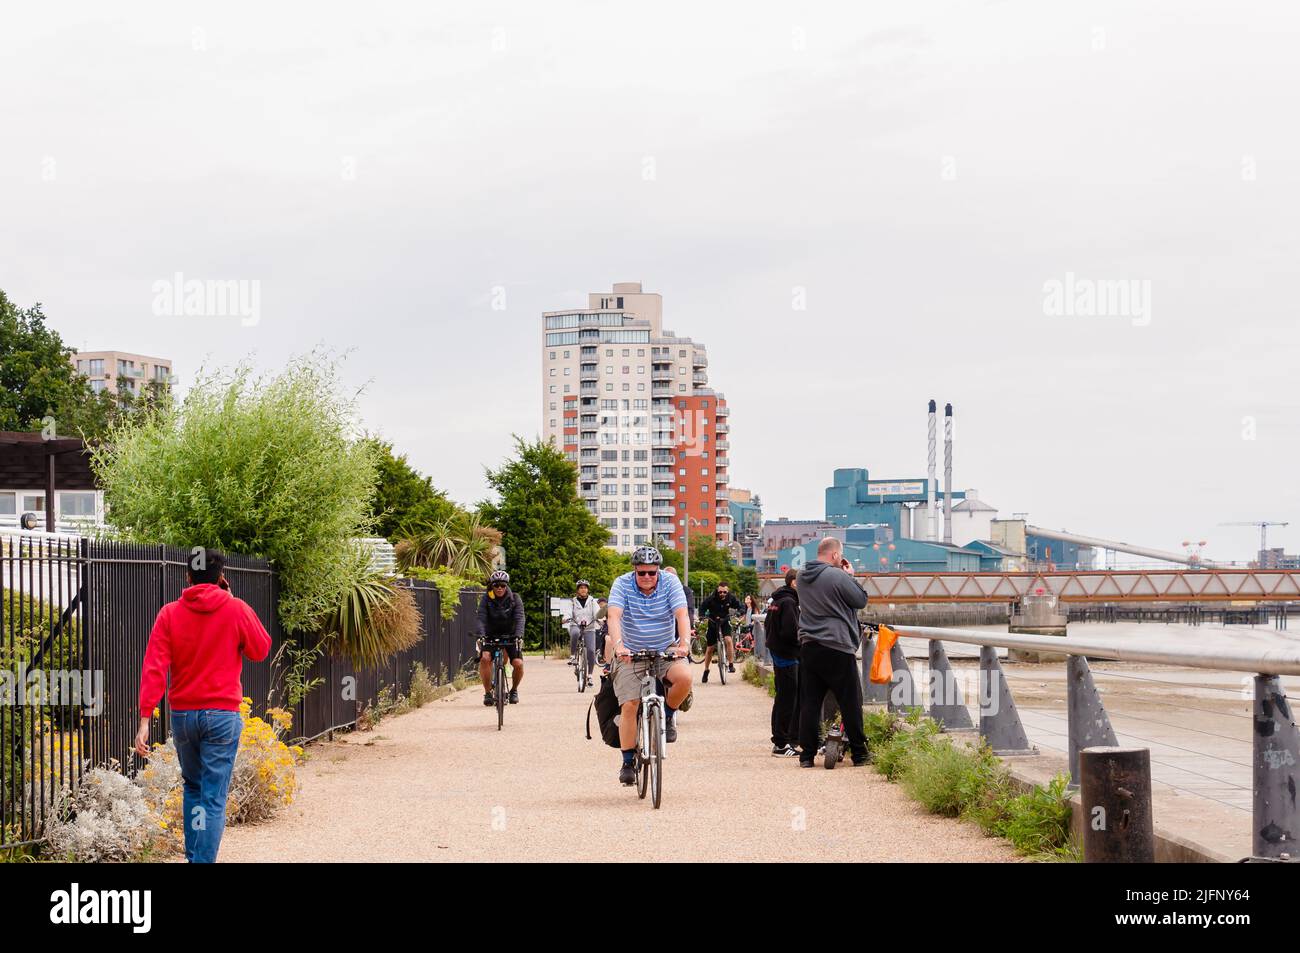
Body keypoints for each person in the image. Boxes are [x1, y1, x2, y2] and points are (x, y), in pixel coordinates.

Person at [134, 548, 271, 863]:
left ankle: (194, 856)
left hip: (184, 718)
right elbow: (260, 649)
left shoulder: (169, 614)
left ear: (187, 577)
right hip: (222, 717)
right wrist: (233, 603)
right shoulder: (236, 609)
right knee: (213, 797)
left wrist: (145, 718)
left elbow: (154, 667)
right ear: (221, 578)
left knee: (193, 788)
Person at [606, 546, 694, 786]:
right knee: (630, 705)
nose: (647, 577)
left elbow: (682, 615)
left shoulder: (670, 583)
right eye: (641, 572)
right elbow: (613, 616)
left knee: (684, 677)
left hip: (666, 649)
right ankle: (627, 762)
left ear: (658, 571)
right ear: (634, 570)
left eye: (652, 573)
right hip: (631, 654)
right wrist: (619, 646)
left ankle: (667, 715)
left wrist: (684, 644)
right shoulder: (622, 584)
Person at [796, 537, 869, 768]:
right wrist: (850, 576)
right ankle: (859, 754)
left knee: (810, 702)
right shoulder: (837, 575)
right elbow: (860, 600)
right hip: (837, 645)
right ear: (835, 555)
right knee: (850, 702)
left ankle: (806, 756)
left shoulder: (801, 576)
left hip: (809, 645)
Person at [765, 569, 801, 756]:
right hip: (787, 655)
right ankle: (781, 743)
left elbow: (768, 626)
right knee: (787, 698)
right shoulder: (789, 602)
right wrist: (802, 643)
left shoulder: (777, 599)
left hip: (778, 652)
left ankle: (787, 738)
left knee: (782, 697)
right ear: (794, 582)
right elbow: (790, 632)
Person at [477, 569, 525, 706]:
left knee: (518, 664)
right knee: (485, 658)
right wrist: (481, 634)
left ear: (507, 586)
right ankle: (487, 693)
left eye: (502, 585)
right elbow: (481, 618)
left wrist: (518, 635)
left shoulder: (515, 598)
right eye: (496, 585)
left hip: (511, 636)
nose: (499, 588)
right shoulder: (486, 598)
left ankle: (514, 690)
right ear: (492, 586)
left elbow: (520, 618)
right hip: (491, 635)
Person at [698, 581, 742, 682]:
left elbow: (740, 606)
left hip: (725, 621)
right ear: (717, 591)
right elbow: (702, 607)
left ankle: (731, 664)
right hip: (713, 622)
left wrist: (740, 612)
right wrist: (702, 616)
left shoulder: (731, 598)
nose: (722, 594)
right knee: (710, 648)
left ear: (728, 591)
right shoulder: (711, 598)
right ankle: (706, 670)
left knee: (728, 640)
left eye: (724, 592)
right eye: (720, 592)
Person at [566, 579, 599, 687]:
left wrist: (600, 619)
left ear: (588, 590)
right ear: (577, 590)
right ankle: (572, 656)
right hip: (576, 624)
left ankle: (589, 675)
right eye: (581, 588)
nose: (583, 589)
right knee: (575, 633)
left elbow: (598, 613)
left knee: (591, 650)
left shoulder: (592, 601)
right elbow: (567, 612)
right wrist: (566, 618)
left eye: (585, 587)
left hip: (589, 627)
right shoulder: (573, 601)